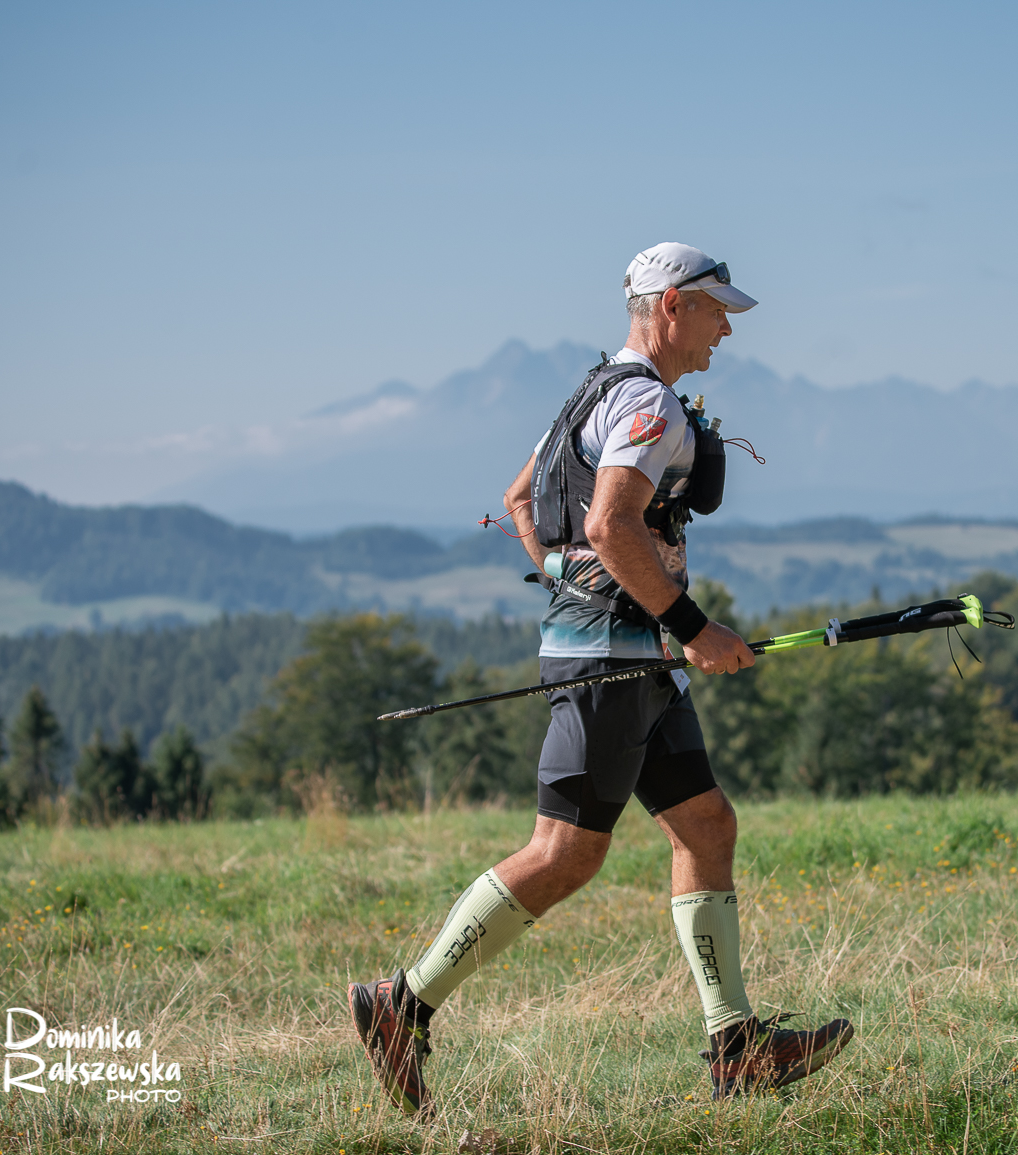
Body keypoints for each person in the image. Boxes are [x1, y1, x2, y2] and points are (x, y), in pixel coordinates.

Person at [349, 243, 854, 1115]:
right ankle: (403, 1004)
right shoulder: (646, 401)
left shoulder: (590, 391)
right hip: (615, 663)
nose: (727, 328)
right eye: (716, 310)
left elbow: (521, 499)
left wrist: (567, 585)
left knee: (706, 823)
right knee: (566, 852)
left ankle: (736, 1046)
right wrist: (690, 627)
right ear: (671, 307)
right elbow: (611, 523)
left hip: (629, 657)